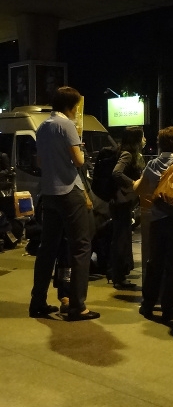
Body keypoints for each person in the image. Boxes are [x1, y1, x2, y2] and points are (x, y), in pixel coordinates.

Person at [29, 86, 99, 321]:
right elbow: (78, 160)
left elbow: (39, 161)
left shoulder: (43, 127)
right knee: (81, 247)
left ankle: (37, 302)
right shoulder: (66, 125)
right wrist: (80, 152)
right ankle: (78, 306)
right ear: (72, 106)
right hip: (69, 191)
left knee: (47, 248)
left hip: (49, 193)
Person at [135, 127, 173, 322]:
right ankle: (169, 308)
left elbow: (141, 188)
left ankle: (147, 305)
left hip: (157, 220)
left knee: (155, 263)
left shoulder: (153, 163)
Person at [109, 126, 146, 290]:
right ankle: (118, 275)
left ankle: (119, 274)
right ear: (136, 140)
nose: (145, 140)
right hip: (121, 203)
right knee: (121, 239)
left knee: (122, 238)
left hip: (123, 203)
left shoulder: (129, 153)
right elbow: (116, 173)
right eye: (142, 137)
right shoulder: (127, 154)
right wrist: (133, 183)